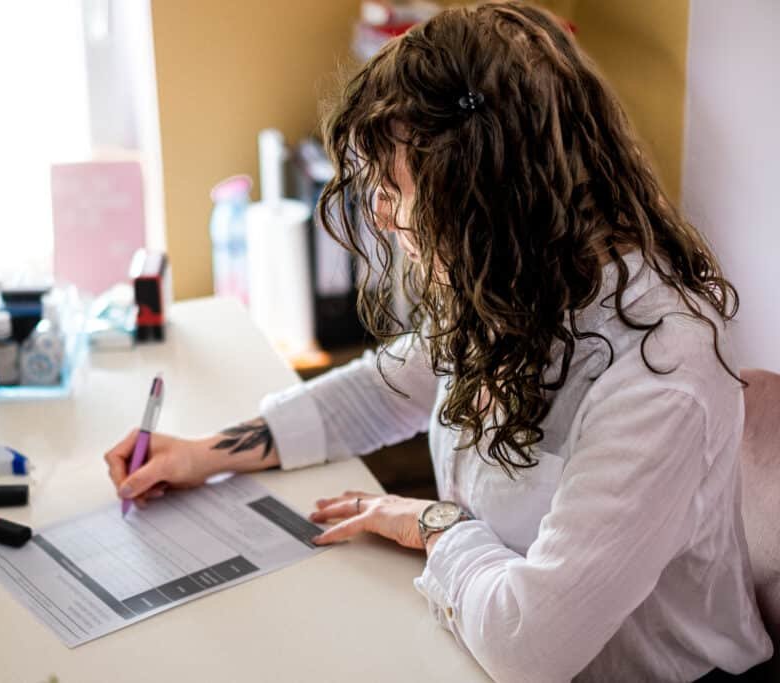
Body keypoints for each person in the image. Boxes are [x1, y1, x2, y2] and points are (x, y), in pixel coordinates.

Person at [104, 3, 773, 681]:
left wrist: (435, 525)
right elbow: (381, 389)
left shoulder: (659, 369)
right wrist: (204, 453)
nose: (383, 215)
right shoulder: (525, 282)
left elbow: (528, 646)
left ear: (490, 199)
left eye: (396, 189)